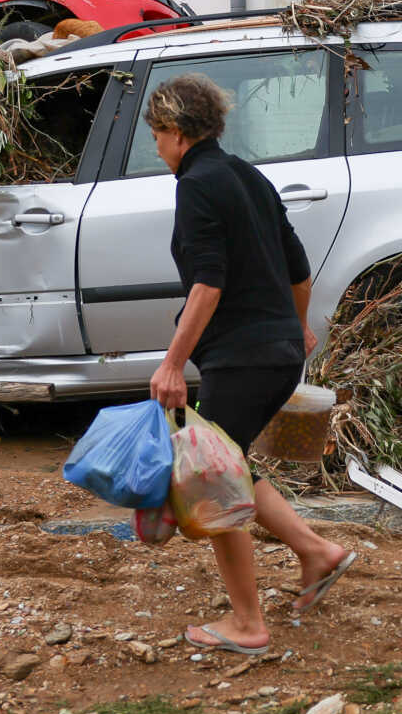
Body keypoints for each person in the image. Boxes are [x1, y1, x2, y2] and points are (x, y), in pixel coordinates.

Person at [143, 72, 356, 653]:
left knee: (213, 480)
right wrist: (299, 327)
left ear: (177, 132)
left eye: (157, 136)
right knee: (227, 464)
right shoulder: (247, 176)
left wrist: (171, 364)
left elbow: (207, 284)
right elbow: (299, 269)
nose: (157, 148)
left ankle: (247, 623)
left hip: (243, 356)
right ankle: (316, 551)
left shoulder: (197, 184)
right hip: (276, 352)